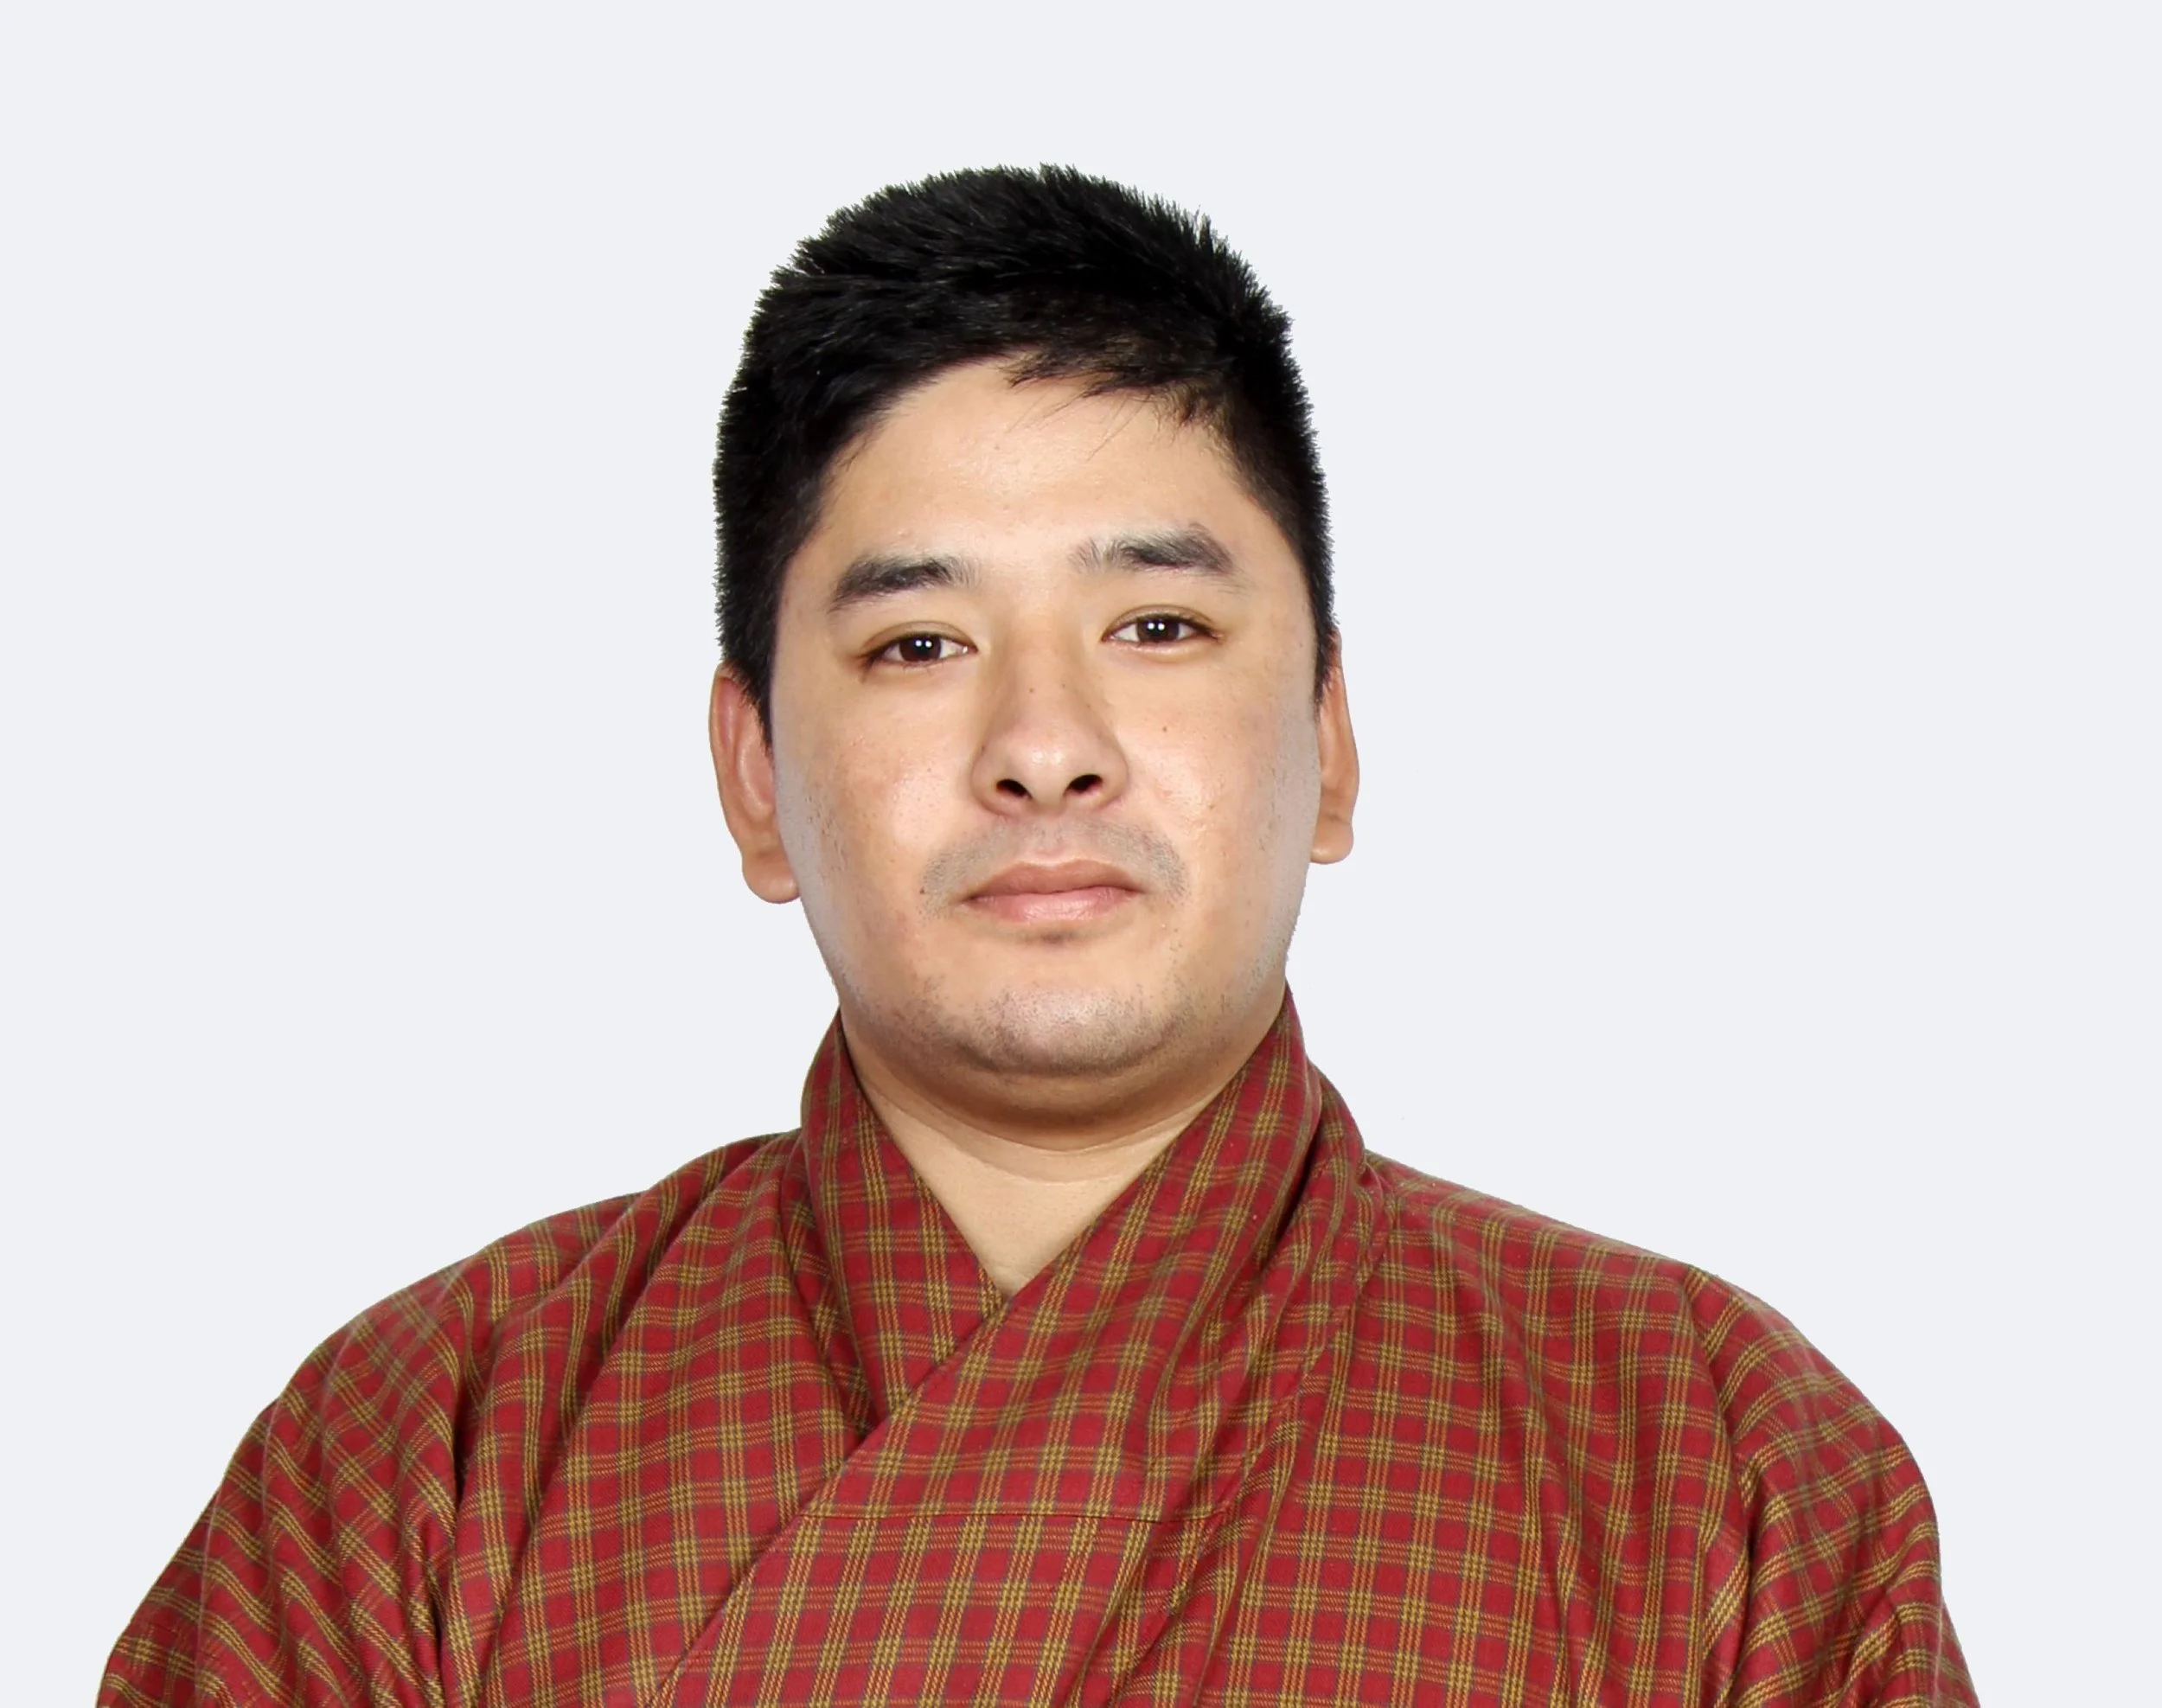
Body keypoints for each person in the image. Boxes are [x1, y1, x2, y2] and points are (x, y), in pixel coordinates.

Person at [103, 167, 1973, 1707]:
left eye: (1156, 628)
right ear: (754, 774)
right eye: (918, 643)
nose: (1045, 747)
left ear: (1326, 739)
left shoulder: (1717, 1459)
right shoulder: (417, 1452)